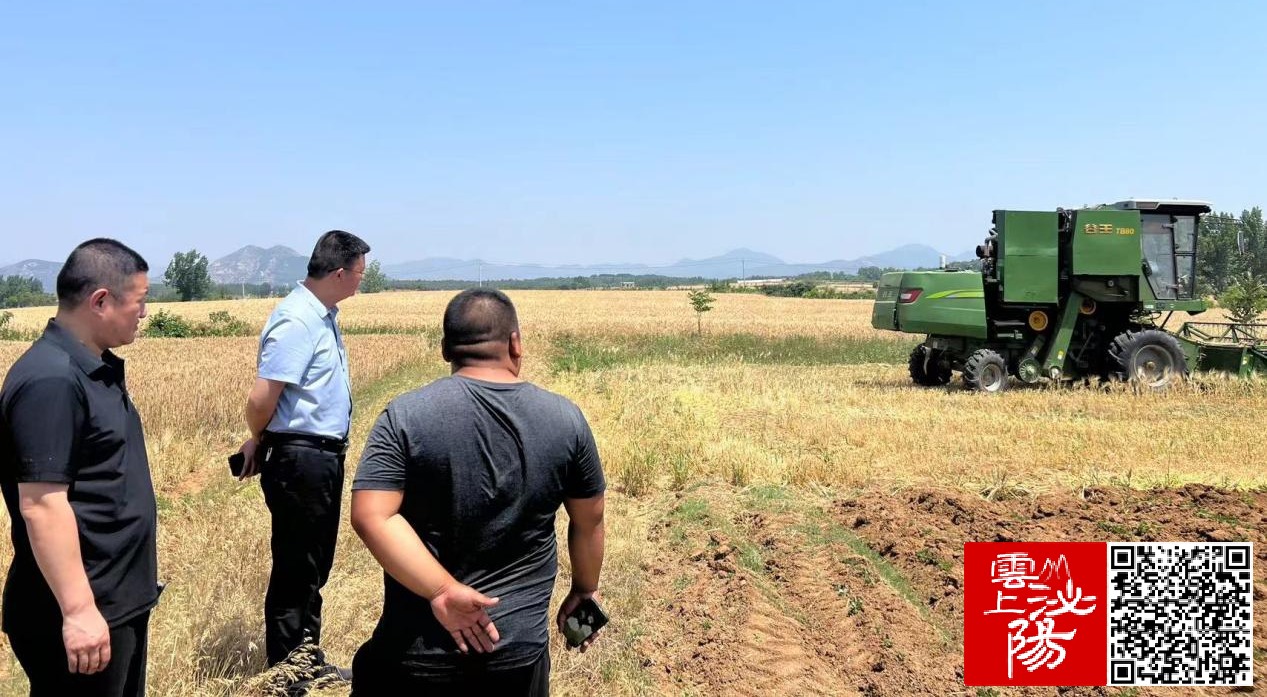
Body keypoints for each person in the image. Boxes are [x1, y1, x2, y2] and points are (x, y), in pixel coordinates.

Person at [348, 288, 607, 696]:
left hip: (415, 654)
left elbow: (371, 515)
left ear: (445, 350)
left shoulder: (405, 416)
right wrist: (584, 590)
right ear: (515, 343)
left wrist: (442, 591)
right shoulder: (566, 420)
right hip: (517, 652)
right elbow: (589, 520)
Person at [0, 239, 158, 696]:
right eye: (140, 302)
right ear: (101, 301)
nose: (144, 314)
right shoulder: (51, 379)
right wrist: (79, 610)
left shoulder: (91, 367)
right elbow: (42, 506)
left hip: (115, 602)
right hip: (82, 612)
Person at [236, 230, 369, 679]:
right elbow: (262, 399)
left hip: (318, 456)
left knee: (313, 563)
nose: (361, 281)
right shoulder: (297, 320)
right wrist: (259, 436)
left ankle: (305, 661)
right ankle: (286, 676)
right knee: (298, 567)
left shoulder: (321, 315)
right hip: (301, 459)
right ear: (338, 273)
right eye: (359, 274)